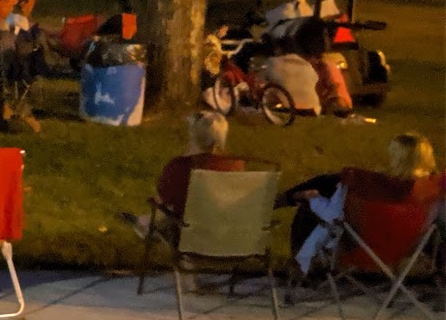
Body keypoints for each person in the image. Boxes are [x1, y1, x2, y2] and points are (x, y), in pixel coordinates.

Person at [284, 134, 441, 278]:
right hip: (408, 251)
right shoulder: (433, 189)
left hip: (358, 249)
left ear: (395, 157)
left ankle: (301, 266)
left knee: (313, 214)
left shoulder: (364, 183)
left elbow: (333, 215)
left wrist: (314, 200)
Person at [129, 112, 247, 240]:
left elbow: (161, 200)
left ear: (192, 135)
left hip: (190, 238)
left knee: (156, 216)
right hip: (228, 237)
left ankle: (145, 225)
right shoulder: (235, 165)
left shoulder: (181, 167)